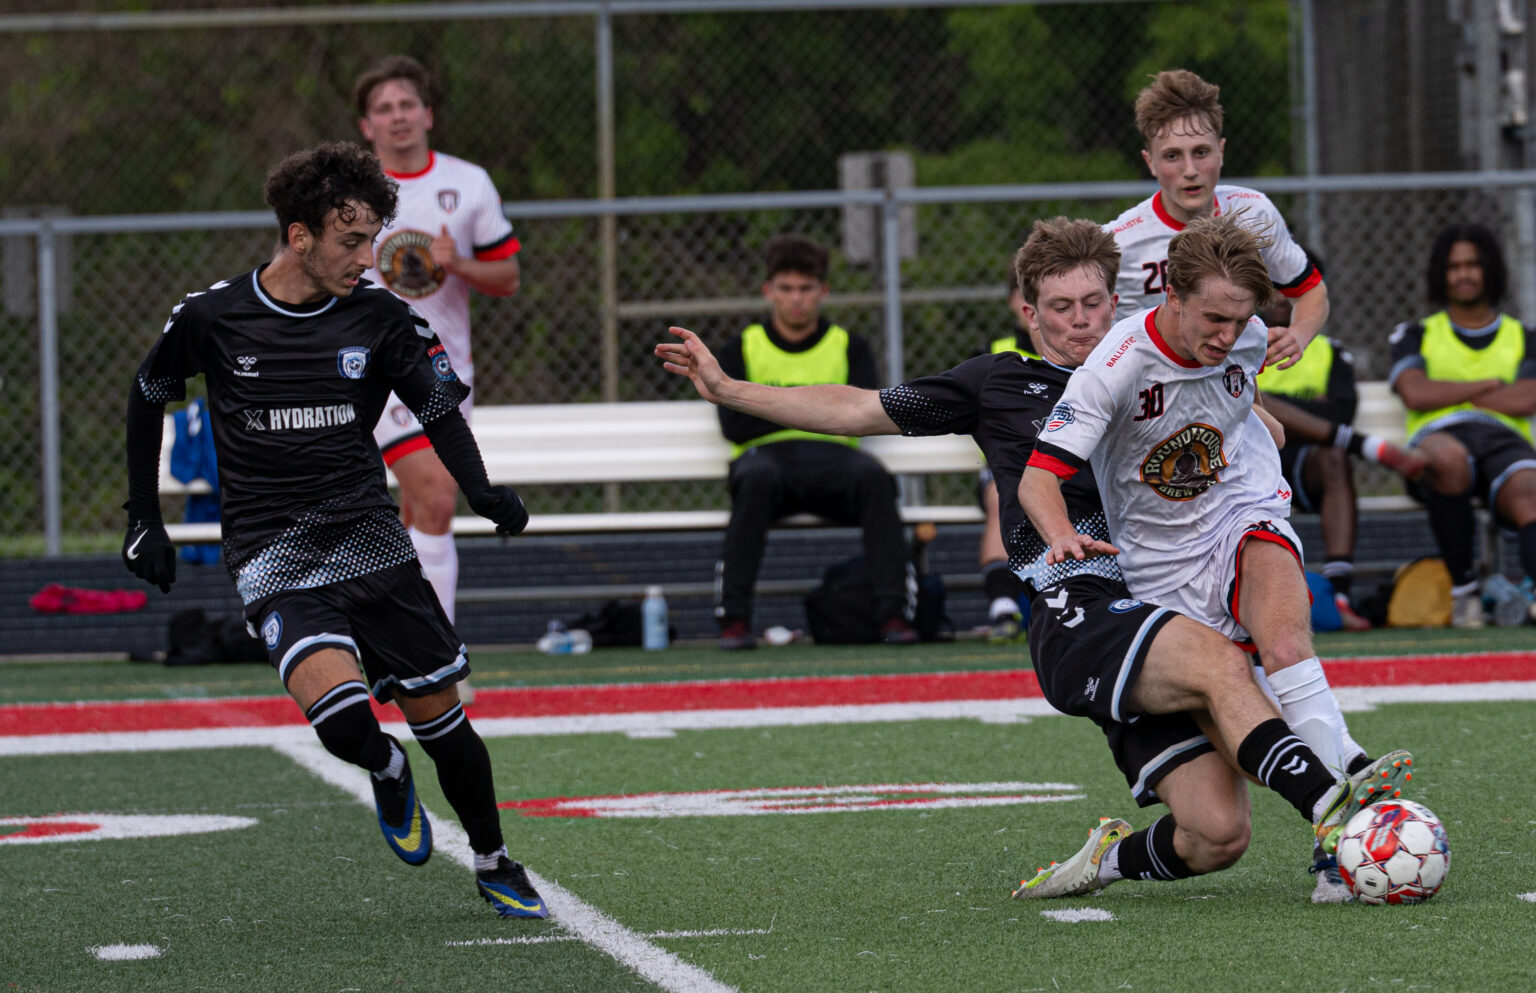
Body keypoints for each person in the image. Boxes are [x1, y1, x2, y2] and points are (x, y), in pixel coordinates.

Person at [658, 217, 1410, 903]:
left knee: (1218, 833)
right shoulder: (1000, 383)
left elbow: (1239, 412)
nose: (1080, 320)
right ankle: (1341, 815)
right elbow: (859, 407)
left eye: (1093, 302)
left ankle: (1111, 857)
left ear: (1115, 300)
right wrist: (727, 387)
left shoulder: (1146, 362)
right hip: (1079, 603)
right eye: (1060, 306)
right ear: (1030, 313)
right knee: (1223, 665)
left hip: (1167, 594)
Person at [121, 141, 547, 919]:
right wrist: (144, 519)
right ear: (299, 235)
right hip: (271, 552)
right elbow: (148, 392)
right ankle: (385, 768)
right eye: (352, 241)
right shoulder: (213, 315)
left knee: (445, 723)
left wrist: (482, 490)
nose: (368, 257)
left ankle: (495, 860)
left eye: (375, 239)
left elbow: (439, 408)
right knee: (348, 721)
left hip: (372, 543)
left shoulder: (383, 317)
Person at [1020, 213, 1412, 902]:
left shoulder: (1247, 337)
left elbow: (1234, 386)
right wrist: (1059, 533)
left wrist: (1260, 414)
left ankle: (1341, 791)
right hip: (1159, 570)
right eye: (1213, 318)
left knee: (1286, 638)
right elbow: (1038, 477)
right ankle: (1127, 853)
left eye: (1240, 320)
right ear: (1171, 295)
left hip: (1242, 513)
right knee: (1224, 818)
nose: (1228, 335)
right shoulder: (1115, 366)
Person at [1106, 68, 1423, 486]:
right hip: (1150, 404)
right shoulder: (1121, 240)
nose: (1189, 170)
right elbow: (1089, 329)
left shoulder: (1253, 213)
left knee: (1269, 452)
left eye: (1201, 152)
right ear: (1149, 161)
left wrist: (1299, 334)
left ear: (1221, 151)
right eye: (1172, 156)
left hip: (1230, 390)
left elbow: (1311, 291)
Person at [353, 55, 522, 692]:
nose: (397, 118)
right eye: (383, 109)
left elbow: (506, 278)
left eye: (406, 105)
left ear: (427, 114)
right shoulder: (352, 191)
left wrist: (461, 265)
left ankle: (391, 650)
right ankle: (437, 661)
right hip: (367, 371)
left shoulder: (468, 184)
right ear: (367, 126)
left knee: (411, 514)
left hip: (444, 370)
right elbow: (302, 267)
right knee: (436, 496)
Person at [710, 234, 916, 650]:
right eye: (785, 288)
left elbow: (864, 415)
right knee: (754, 480)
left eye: (806, 288)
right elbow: (734, 424)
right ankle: (734, 619)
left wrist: (769, 408)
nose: (796, 299)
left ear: (823, 291)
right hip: (767, 467)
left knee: (875, 480)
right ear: (769, 291)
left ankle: (894, 614)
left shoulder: (850, 346)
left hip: (836, 463)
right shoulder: (741, 348)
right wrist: (821, 411)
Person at [1389, 222, 1536, 627]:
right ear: (1441, 273)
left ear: (1491, 270)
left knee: (1530, 486)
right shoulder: (1416, 334)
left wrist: (1449, 389)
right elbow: (1416, 394)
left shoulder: (1524, 336)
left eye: (1473, 264)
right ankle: (1465, 593)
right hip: (1440, 438)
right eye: (1454, 267)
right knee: (1449, 459)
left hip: (1504, 439)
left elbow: (1527, 398)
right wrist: (1490, 384)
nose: (1464, 274)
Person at [1257, 295, 1426, 628]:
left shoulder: (1329, 351)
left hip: (1305, 460)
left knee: (1334, 456)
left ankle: (1338, 595)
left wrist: (1284, 411)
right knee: (1253, 397)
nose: (1279, 298)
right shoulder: (1236, 342)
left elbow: (1340, 412)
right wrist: (1295, 409)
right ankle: (1368, 447)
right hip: (1248, 456)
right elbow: (1238, 403)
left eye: (1288, 290)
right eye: (1271, 285)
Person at [979, 271, 1040, 642]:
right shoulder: (994, 352)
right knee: (1002, 494)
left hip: (1073, 464)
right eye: (1024, 293)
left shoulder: (1089, 350)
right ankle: (1003, 605)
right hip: (1010, 465)